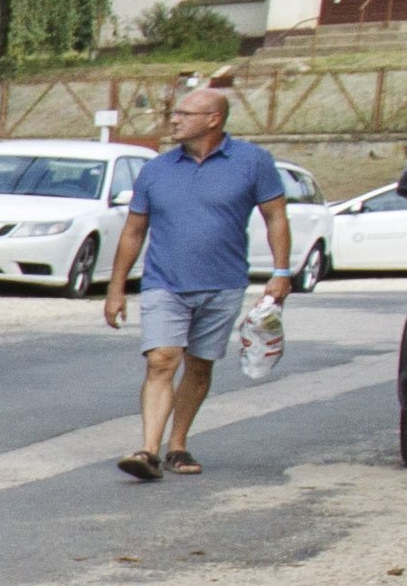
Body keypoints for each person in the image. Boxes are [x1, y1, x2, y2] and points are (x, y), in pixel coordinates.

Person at [103, 78, 293, 480]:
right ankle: (148, 450)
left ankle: (178, 445)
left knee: (200, 365)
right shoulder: (155, 170)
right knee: (161, 360)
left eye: (184, 115)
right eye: (175, 114)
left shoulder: (254, 161)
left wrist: (281, 272)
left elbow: (276, 216)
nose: (174, 120)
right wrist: (116, 288)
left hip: (224, 283)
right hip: (164, 283)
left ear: (213, 119)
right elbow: (134, 231)